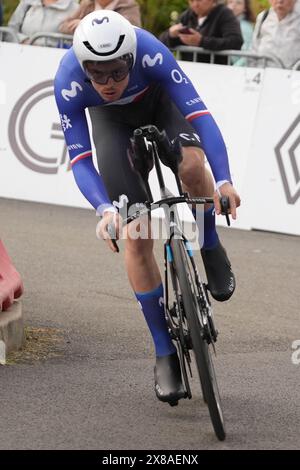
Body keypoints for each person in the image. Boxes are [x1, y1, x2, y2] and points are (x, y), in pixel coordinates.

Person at [54, 10, 240, 404]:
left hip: (159, 104)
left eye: (118, 71)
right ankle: (164, 352)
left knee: (192, 164)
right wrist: (105, 208)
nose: (108, 82)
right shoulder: (68, 81)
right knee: (135, 233)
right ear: (82, 66)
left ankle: (208, 243)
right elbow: (81, 158)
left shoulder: (152, 52)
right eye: (97, 73)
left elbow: (201, 117)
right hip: (111, 126)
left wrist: (224, 180)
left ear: (131, 57)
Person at [159, 0, 243, 64]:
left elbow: (236, 41)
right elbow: (161, 43)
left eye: (200, 0)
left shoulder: (224, 14)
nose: (195, 4)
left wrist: (201, 41)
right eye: (191, 0)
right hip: (189, 73)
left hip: (216, 74)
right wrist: (171, 35)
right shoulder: (187, 15)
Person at [249, 0, 300, 68]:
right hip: (263, 74)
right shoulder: (263, 17)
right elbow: (253, 50)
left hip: (292, 75)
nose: (280, 1)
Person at [8, 0, 79, 46]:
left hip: (52, 60)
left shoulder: (75, 8)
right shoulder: (27, 2)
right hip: (21, 56)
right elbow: (11, 29)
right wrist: (23, 40)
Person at [59, 0, 141, 35]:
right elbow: (63, 26)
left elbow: (131, 28)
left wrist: (85, 24)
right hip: (87, 54)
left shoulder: (128, 5)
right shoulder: (86, 4)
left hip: (117, 56)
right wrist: (76, 26)